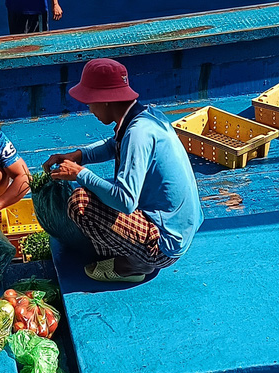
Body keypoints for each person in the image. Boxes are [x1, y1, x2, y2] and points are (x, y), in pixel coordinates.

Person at [43, 58, 203, 282]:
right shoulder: (146, 117)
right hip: (180, 227)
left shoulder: (138, 134)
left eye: (90, 102)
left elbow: (125, 201)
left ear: (105, 100)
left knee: (80, 202)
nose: (89, 109)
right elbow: (113, 145)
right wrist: (78, 156)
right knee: (97, 192)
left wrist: (80, 173)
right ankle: (129, 249)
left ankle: (133, 265)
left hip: (164, 244)